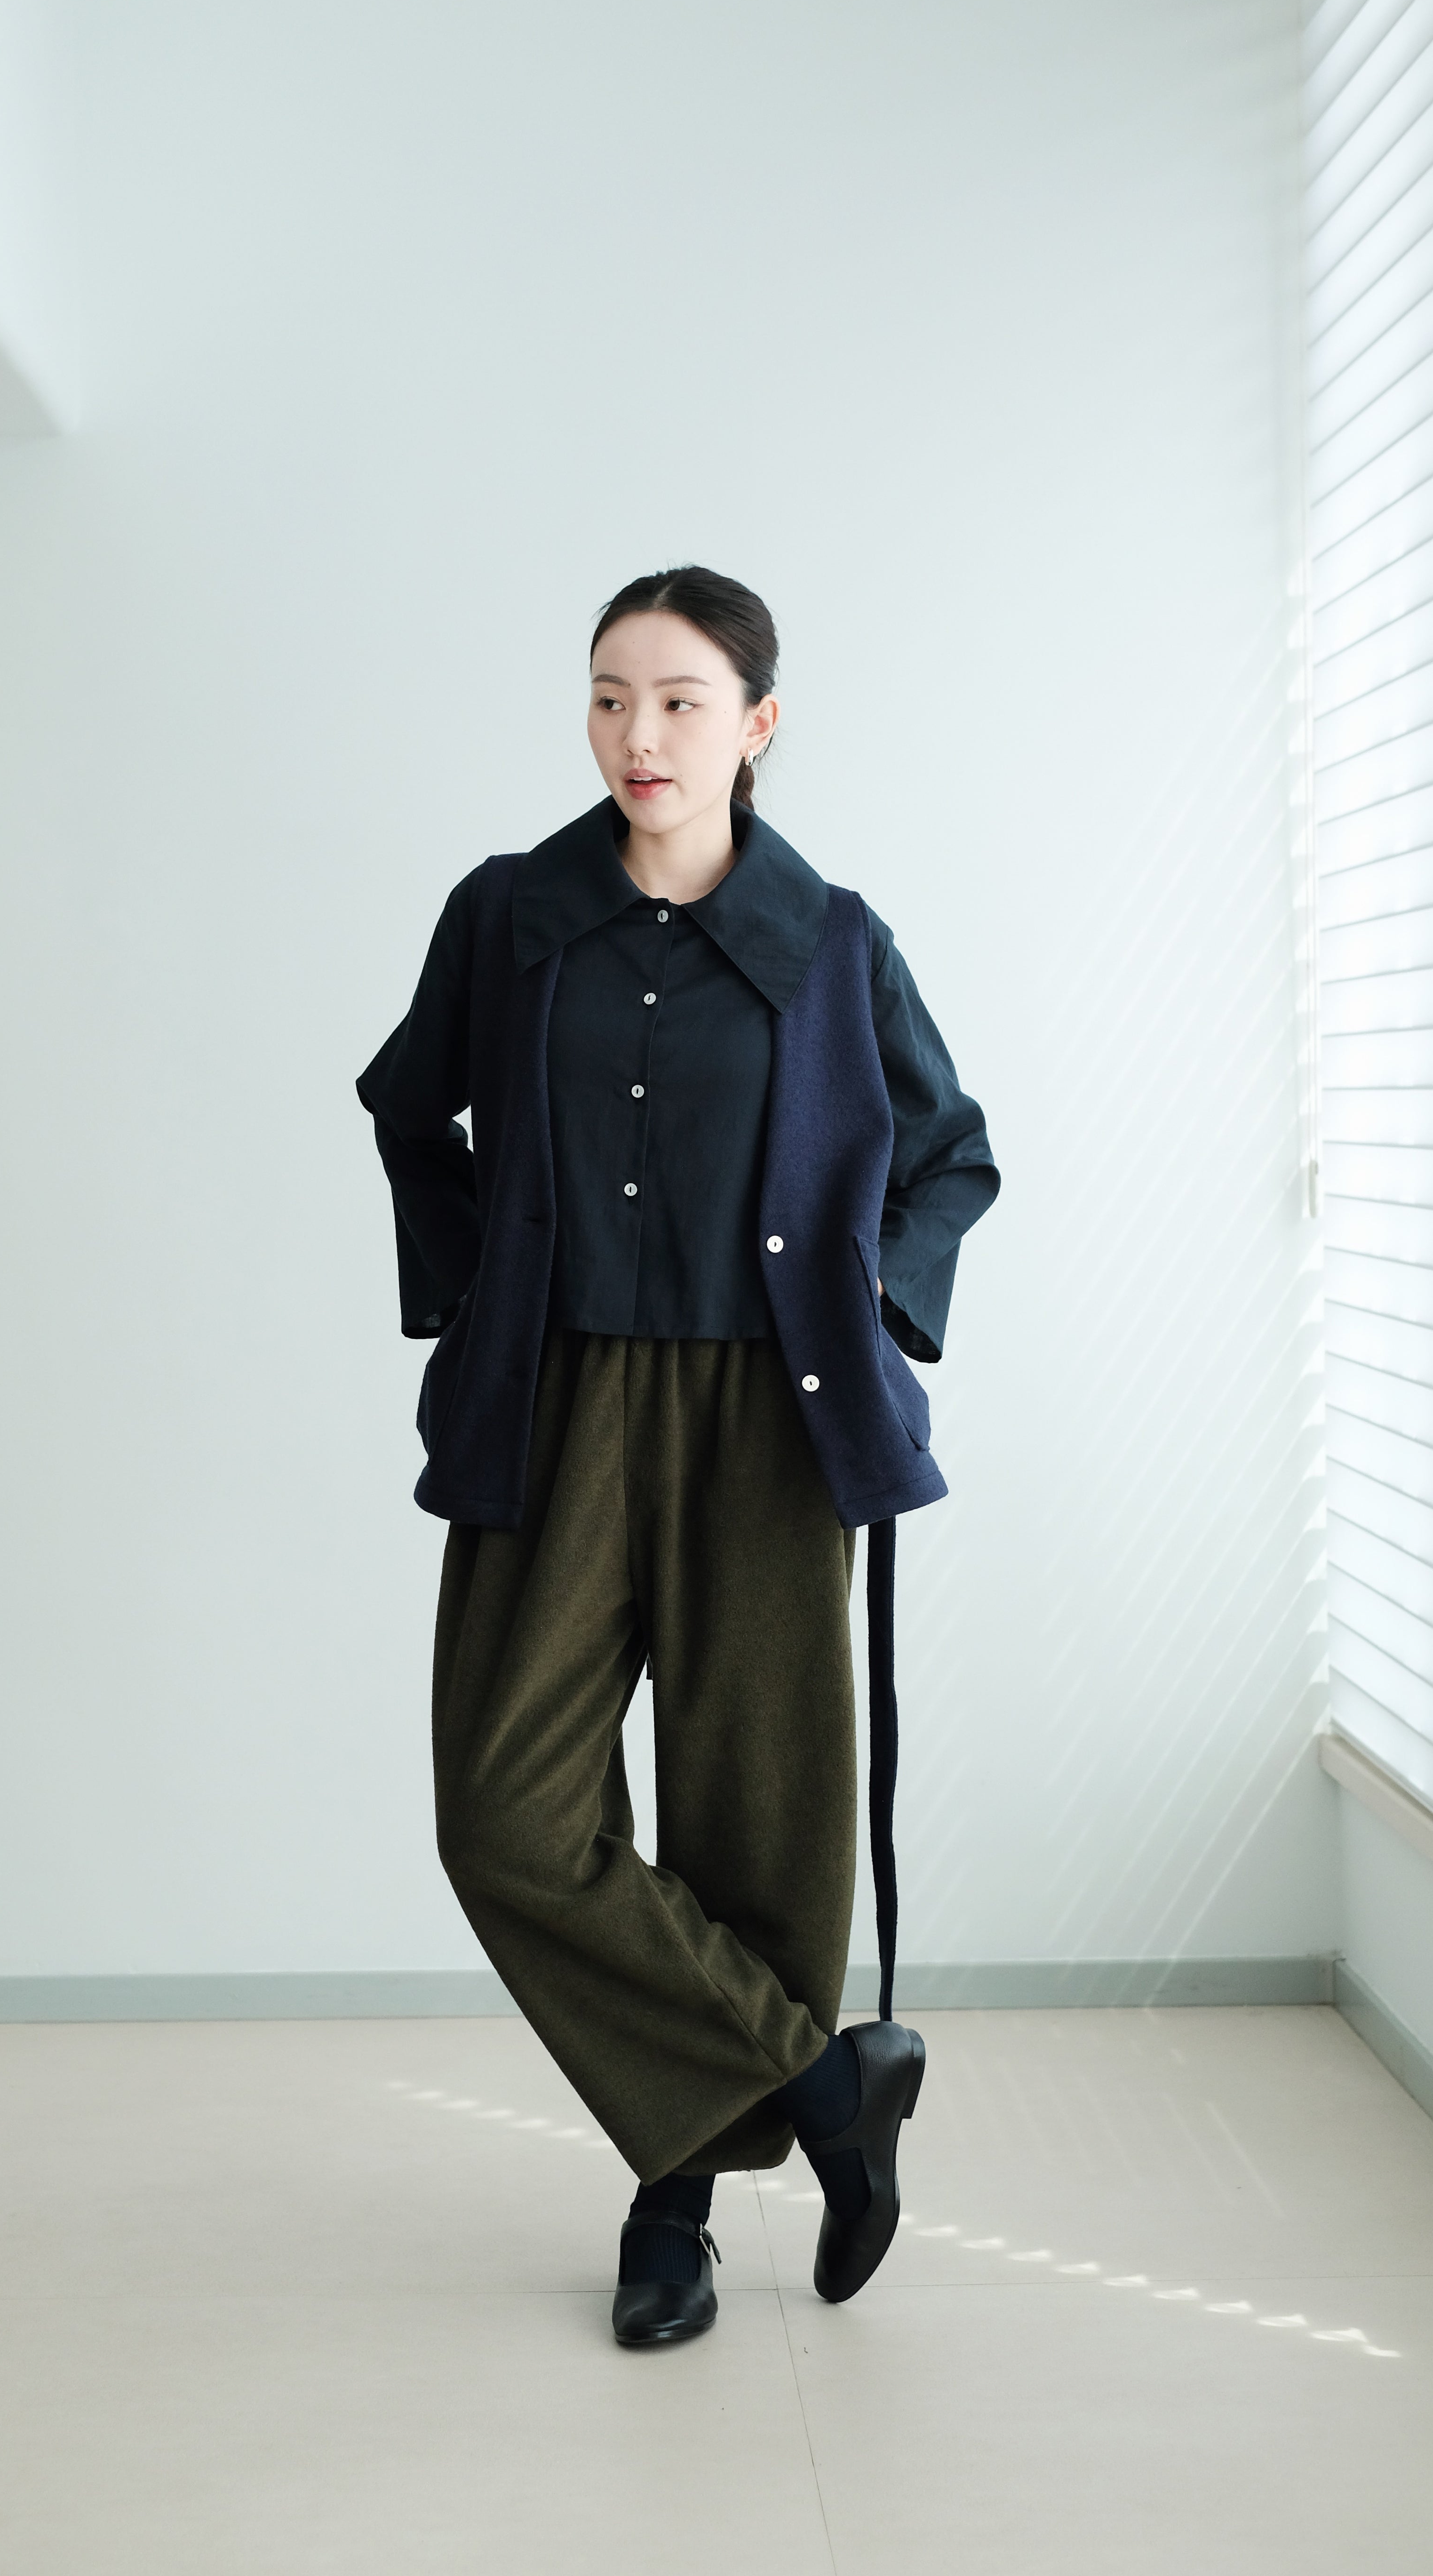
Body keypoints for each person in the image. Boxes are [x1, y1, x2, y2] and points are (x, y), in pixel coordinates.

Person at [359, 565, 997, 2347]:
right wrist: (479, 1289)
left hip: (766, 1427)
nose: (639, 735)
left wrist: (873, 1305)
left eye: (680, 700)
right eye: (610, 698)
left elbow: (951, 1156)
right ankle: (820, 2088)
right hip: (553, 1404)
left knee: (758, 1820)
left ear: (756, 723)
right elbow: (408, 1108)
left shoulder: (834, 944)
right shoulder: (510, 917)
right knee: (506, 1813)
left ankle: (675, 2208)